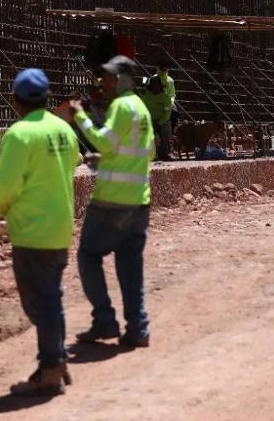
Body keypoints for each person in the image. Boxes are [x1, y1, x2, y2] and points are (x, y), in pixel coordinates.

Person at [0, 68, 82, 397]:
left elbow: (8, 184)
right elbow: (75, 160)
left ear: (16, 101)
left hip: (31, 231)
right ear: (45, 97)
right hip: (60, 227)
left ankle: (51, 367)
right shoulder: (63, 129)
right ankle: (58, 358)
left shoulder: (19, 134)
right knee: (51, 297)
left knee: (39, 303)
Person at [68, 55, 154, 348]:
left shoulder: (121, 105)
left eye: (106, 77)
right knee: (130, 267)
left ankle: (104, 321)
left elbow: (104, 140)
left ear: (121, 80)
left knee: (88, 256)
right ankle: (138, 328)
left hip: (111, 202)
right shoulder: (141, 109)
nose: (102, 83)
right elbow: (145, 152)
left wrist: (79, 116)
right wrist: (106, 162)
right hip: (139, 202)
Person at [141, 76, 172, 161]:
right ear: (151, 86)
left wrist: (159, 124)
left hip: (162, 121)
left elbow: (167, 113)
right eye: (154, 85)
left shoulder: (166, 97)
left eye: (157, 85)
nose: (156, 87)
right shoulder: (145, 97)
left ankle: (163, 154)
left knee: (166, 130)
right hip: (149, 121)